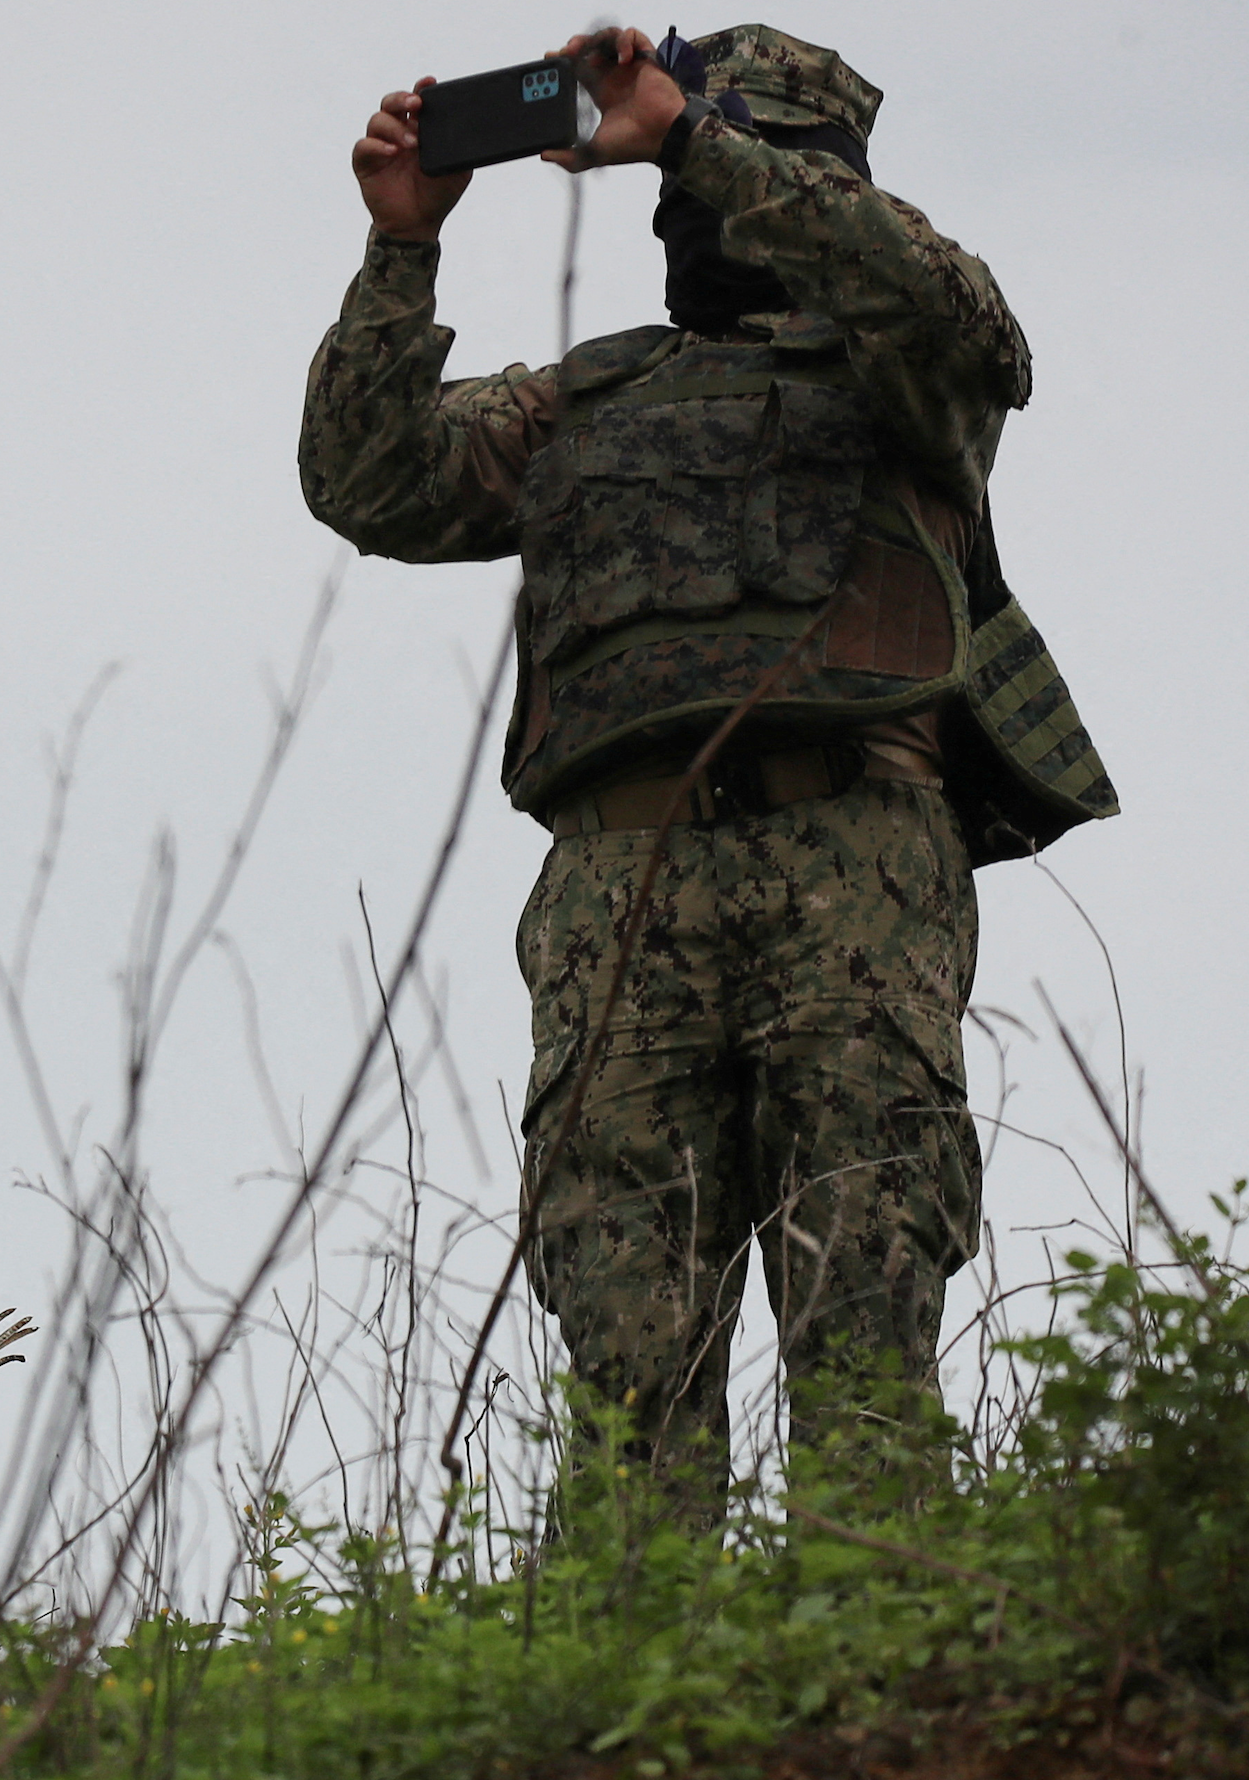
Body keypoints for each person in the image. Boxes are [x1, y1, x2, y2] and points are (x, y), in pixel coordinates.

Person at [298, 27, 1115, 1498]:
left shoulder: (908, 379)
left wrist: (687, 140)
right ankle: (625, 1713)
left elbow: (964, 323)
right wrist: (399, 249)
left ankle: (880, 1689)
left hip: (851, 870)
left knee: (861, 1329)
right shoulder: (582, 404)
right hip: (618, 884)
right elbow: (368, 481)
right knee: (626, 1385)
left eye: (719, 164)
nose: (692, 211)